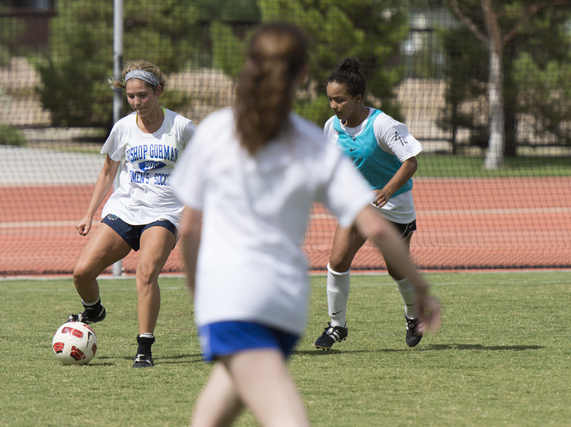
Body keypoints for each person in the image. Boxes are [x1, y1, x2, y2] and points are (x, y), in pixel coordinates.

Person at [172, 23, 440, 427]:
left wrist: (196, 287)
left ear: (248, 67)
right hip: (284, 299)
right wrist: (424, 288)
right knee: (220, 399)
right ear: (302, 77)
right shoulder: (316, 140)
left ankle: (378, 316)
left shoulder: (213, 131)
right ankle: (337, 325)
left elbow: (189, 228)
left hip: (230, 296)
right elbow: (375, 228)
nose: (333, 105)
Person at [68, 60, 196, 368]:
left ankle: (144, 347)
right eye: (131, 96)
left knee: (146, 273)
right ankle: (94, 309)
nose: (136, 102)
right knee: (81, 272)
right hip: (125, 209)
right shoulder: (123, 127)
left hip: (165, 212)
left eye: (143, 95)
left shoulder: (181, 127)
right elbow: (107, 172)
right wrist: (89, 213)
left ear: (158, 91)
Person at [314, 57, 425, 351]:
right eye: (330, 100)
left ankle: (414, 316)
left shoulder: (383, 125)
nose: (334, 105)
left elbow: (410, 162)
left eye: (340, 100)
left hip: (394, 206)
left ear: (358, 99)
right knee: (337, 261)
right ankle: (337, 326)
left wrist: (387, 190)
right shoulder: (331, 127)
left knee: (397, 271)